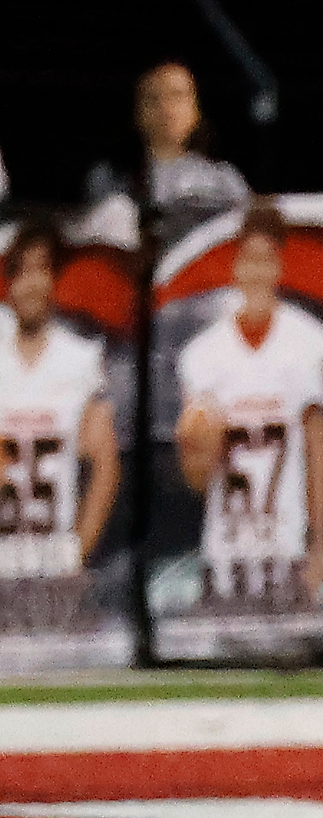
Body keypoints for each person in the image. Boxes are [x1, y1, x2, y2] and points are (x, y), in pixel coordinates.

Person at [175, 202, 323, 610]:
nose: (257, 272)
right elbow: (195, 480)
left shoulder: (309, 342)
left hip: (286, 548)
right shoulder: (203, 354)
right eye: (249, 259)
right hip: (224, 551)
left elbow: (317, 452)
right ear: (235, 266)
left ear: (280, 266)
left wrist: (318, 546)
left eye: (267, 260)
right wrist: (197, 449)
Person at [0, 221, 121, 621]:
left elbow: (105, 465)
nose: (32, 284)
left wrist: (78, 551)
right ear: (9, 284)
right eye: (23, 272)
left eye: (41, 270)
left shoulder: (80, 359)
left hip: (57, 561)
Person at [85, 62, 251, 211]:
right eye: (153, 99)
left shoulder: (223, 179)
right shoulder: (108, 177)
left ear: (196, 109)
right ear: (136, 112)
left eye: (177, 96)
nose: (166, 109)